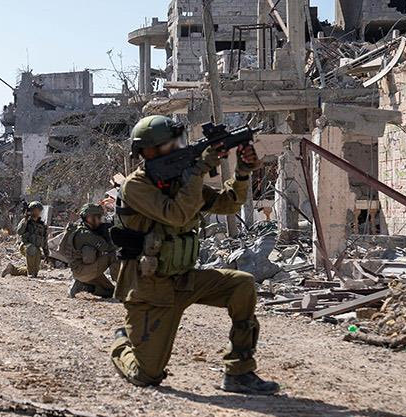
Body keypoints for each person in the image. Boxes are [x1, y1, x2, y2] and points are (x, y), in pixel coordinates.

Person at [109, 115, 279, 395]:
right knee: (147, 375)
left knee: (242, 285)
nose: (179, 148)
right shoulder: (136, 186)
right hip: (151, 289)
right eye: (171, 144)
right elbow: (177, 215)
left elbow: (227, 204)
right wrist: (198, 169)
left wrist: (242, 173)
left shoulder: (181, 179)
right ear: (149, 152)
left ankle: (239, 372)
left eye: (179, 143)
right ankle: (121, 343)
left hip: (185, 279)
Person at [67, 204, 118, 299]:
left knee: (110, 291)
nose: (100, 220)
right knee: (113, 255)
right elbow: (106, 247)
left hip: (83, 270)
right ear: (89, 218)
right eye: (98, 217)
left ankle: (84, 286)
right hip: (83, 270)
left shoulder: (81, 229)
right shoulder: (85, 234)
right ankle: (122, 283)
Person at [2, 201, 49, 278]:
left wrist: (46, 253)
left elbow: (45, 240)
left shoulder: (42, 225)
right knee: (31, 249)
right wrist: (26, 219)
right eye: (35, 210)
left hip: (36, 249)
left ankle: (12, 269)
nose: (37, 212)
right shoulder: (26, 221)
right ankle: (30, 273)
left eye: (38, 210)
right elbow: (19, 231)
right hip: (25, 246)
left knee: (35, 271)